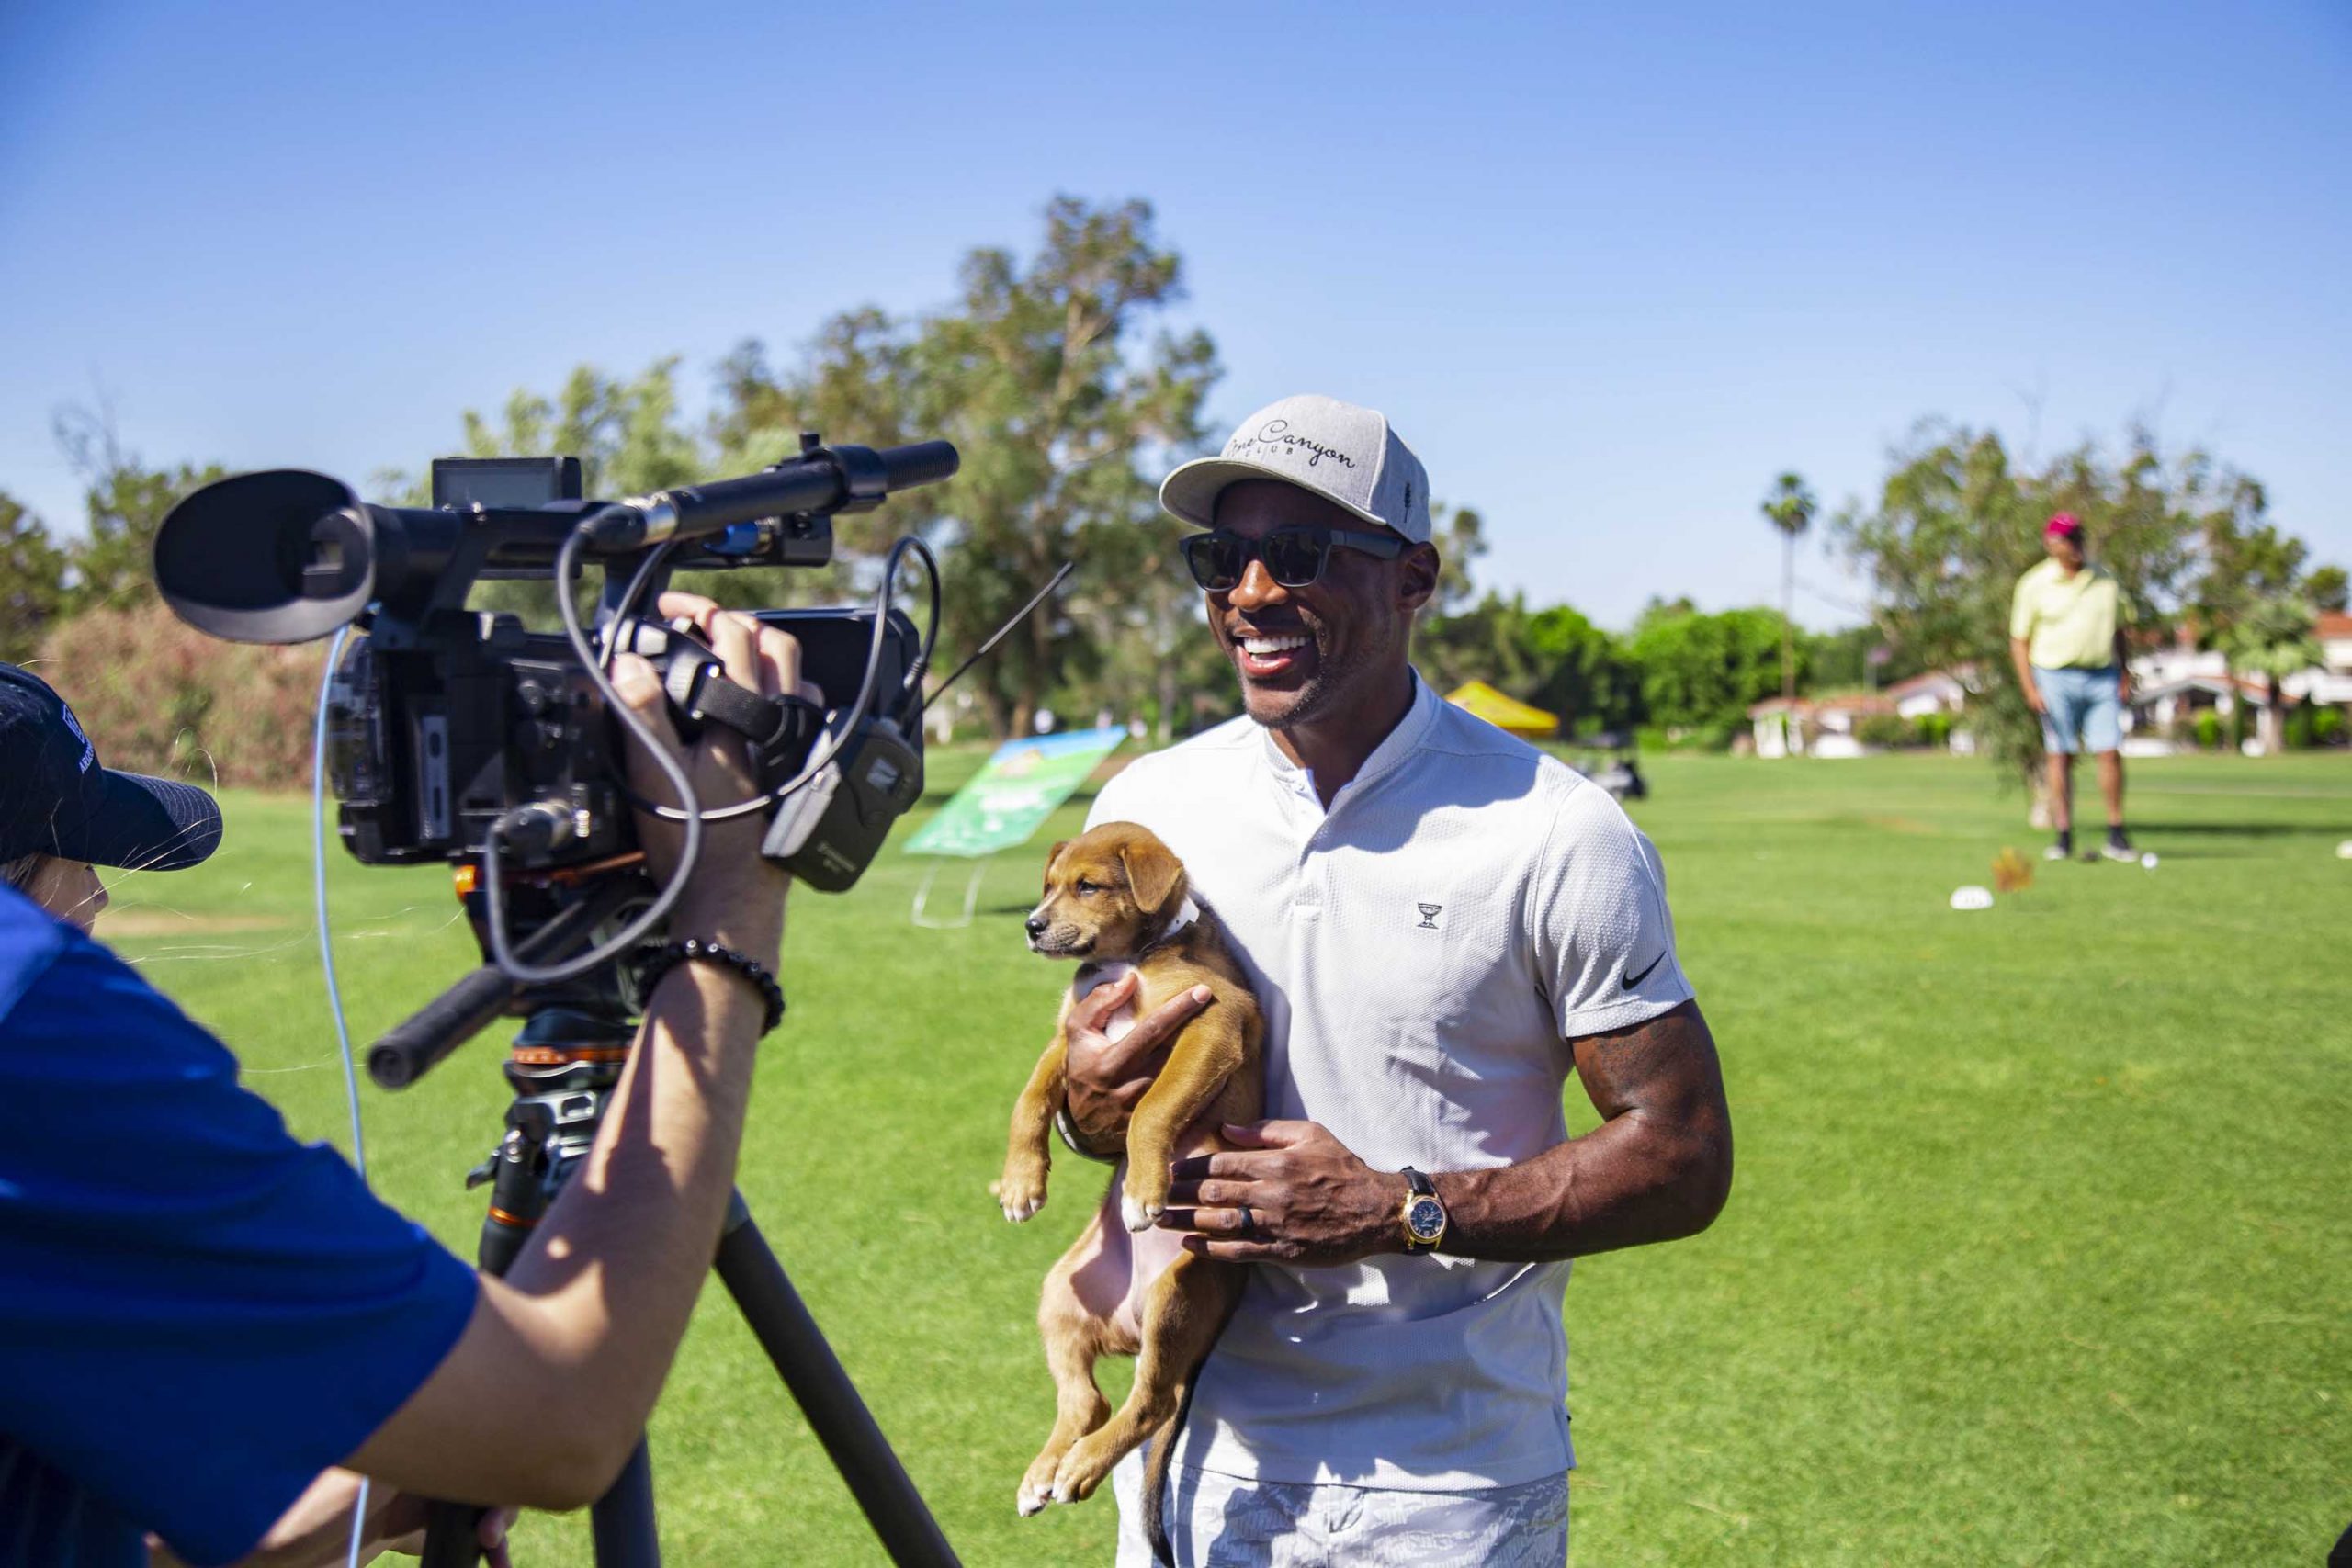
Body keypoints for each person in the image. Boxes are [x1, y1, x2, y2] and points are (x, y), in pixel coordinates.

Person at [1055, 393, 1735, 1565]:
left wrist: (1394, 1207)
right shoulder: (1147, 809)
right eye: (1222, 557)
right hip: (1183, 1462)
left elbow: (1679, 1156)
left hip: (1446, 1482)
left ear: (1413, 577)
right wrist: (1086, 1109)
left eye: (1301, 553)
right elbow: (1099, 1098)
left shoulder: (1556, 829)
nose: (1252, 592)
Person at [0, 596, 801, 1567]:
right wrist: (726, 913)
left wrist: (364, 1497)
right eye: (67, 857)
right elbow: (560, 1416)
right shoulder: (32, 1024)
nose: (92, 897)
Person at [2008, 512, 2137, 863]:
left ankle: (2116, 833)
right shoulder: (2033, 583)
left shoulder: (2106, 580)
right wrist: (2030, 687)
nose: (2076, 544)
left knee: (2109, 751)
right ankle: (2063, 834)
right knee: (2060, 754)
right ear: (2051, 544)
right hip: (2053, 675)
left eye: (2079, 537)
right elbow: (2019, 640)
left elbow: (2121, 630)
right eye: (2068, 539)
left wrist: (2125, 673)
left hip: (2102, 674)